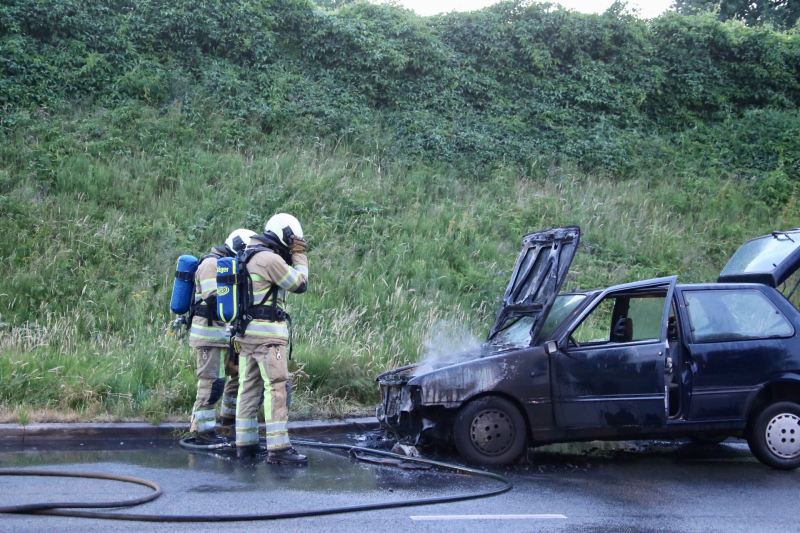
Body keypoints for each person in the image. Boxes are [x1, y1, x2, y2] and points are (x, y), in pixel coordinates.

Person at [235, 213, 308, 464]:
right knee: (276, 388)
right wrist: (299, 256)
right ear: (284, 235)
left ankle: (245, 445)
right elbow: (299, 284)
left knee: (248, 388)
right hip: (268, 338)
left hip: (246, 335)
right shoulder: (269, 259)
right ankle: (279, 450)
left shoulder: (245, 255)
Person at [188, 228, 255, 443]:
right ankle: (203, 430)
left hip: (226, 334)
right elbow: (213, 298)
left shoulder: (230, 265)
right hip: (208, 334)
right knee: (211, 382)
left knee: (238, 375)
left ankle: (228, 420)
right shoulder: (211, 264)